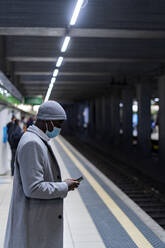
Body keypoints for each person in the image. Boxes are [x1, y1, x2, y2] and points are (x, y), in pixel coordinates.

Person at [4, 100, 80, 248]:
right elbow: (33, 188)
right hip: (34, 224)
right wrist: (64, 186)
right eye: (58, 124)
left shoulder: (37, 140)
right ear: (47, 122)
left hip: (37, 219)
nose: (59, 128)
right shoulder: (32, 144)